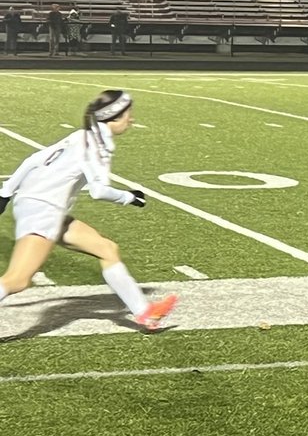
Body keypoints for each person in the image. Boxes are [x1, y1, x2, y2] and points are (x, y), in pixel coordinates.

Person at [0, 90, 178, 331]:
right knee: (17, 280)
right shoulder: (97, 144)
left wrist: (5, 192)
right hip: (44, 210)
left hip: (36, 204)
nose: (132, 120)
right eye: (128, 115)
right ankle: (144, 313)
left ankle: (145, 313)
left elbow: (33, 159)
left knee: (106, 249)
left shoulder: (82, 135)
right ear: (113, 118)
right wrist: (130, 197)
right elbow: (98, 191)